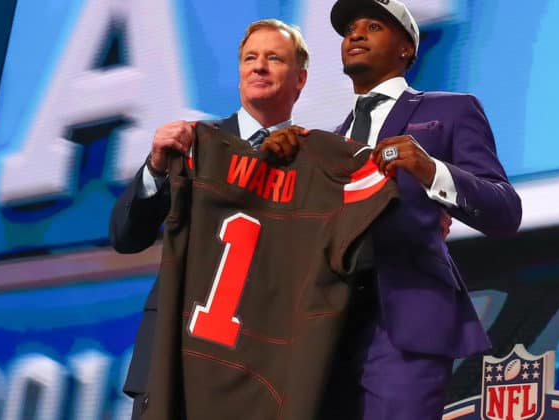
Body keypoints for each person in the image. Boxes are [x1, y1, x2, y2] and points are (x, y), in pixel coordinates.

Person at [266, 1, 522, 418]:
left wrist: (430, 170)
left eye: (373, 26)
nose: (356, 34)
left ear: (406, 48)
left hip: (405, 318)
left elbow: (505, 210)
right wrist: (276, 168)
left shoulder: (450, 110)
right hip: (327, 331)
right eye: (350, 29)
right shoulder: (325, 145)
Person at [108, 18, 309, 417]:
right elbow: (126, 237)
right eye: (250, 58)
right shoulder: (190, 143)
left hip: (256, 374)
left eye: (274, 58)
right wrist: (156, 169)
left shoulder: (313, 162)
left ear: (300, 79)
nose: (259, 67)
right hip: (170, 361)